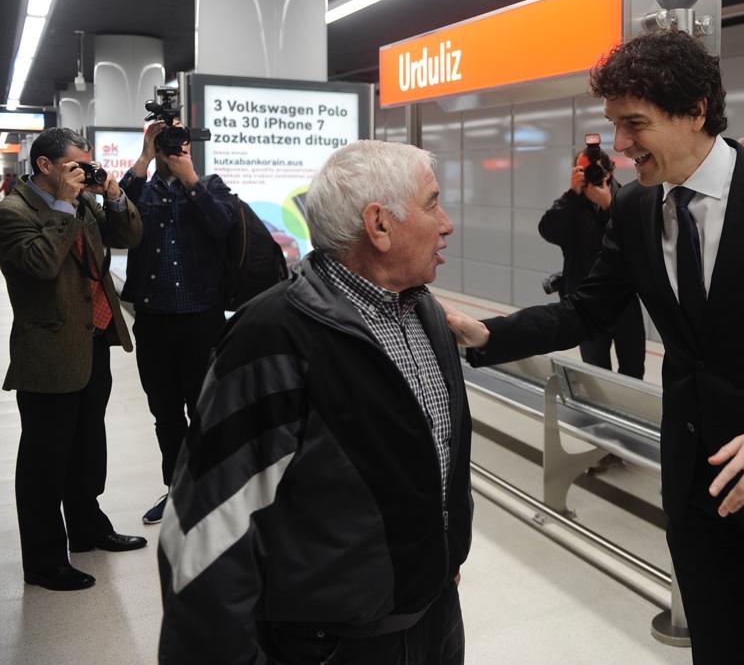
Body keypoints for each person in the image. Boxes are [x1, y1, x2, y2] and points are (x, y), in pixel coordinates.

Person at [445, 30, 744, 664]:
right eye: (615, 126)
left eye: (635, 125)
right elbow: (588, 309)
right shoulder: (634, 210)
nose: (621, 146)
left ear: (696, 111)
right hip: (692, 472)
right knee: (716, 641)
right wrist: (491, 334)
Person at [158, 140, 470, 665]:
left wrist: (438, 555)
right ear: (379, 225)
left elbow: (426, 460)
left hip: (433, 621)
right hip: (330, 647)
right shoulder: (273, 335)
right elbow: (204, 533)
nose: (447, 223)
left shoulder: (424, 314)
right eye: (432, 203)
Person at [0, 128, 146, 591]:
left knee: (87, 446)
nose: (84, 172)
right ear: (45, 165)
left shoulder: (84, 201)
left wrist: (115, 194)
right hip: (48, 350)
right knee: (45, 458)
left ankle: (88, 528)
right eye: (75, 165)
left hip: (94, 337)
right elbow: (41, 265)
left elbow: (128, 235)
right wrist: (64, 204)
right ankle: (43, 561)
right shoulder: (12, 212)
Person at [119, 119, 237, 526]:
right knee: (166, 415)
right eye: (164, 142)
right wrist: (143, 159)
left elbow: (223, 225)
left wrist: (192, 181)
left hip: (202, 319)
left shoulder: (211, 186)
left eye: (179, 142)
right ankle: (176, 490)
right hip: (154, 321)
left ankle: (211, 491)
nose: (173, 149)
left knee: (206, 411)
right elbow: (116, 223)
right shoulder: (141, 191)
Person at [537, 145, 646, 378]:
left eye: (593, 169)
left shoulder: (626, 198)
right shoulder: (571, 204)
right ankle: (600, 414)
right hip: (587, 303)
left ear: (608, 172)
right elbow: (548, 231)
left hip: (625, 300)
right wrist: (571, 195)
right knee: (596, 370)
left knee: (634, 368)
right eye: (582, 169)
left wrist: (610, 207)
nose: (590, 175)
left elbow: (640, 244)